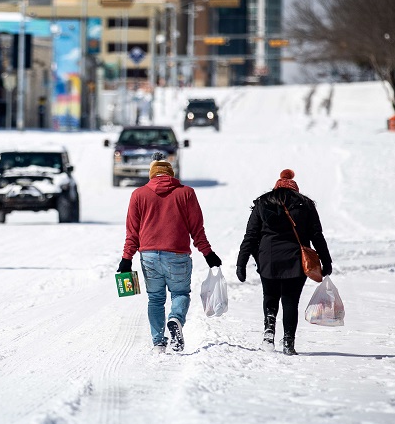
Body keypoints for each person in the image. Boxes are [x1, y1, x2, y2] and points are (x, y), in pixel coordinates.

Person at [118, 152, 222, 353]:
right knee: (180, 293)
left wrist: (126, 259)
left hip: (148, 256)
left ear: (151, 174)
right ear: (171, 174)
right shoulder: (186, 193)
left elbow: (132, 232)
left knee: (155, 299)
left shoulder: (138, 195)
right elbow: (197, 229)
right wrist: (208, 254)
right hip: (177, 255)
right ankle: (175, 318)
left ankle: (158, 343)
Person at [235, 169, 332, 356]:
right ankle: (289, 342)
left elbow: (251, 236)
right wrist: (325, 261)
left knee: (270, 297)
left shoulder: (262, 204)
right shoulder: (306, 205)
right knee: (290, 301)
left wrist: (241, 263)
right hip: (295, 260)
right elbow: (317, 236)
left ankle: (269, 333)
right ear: (295, 189)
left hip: (268, 259)